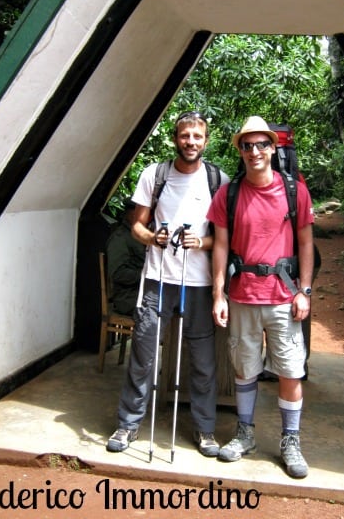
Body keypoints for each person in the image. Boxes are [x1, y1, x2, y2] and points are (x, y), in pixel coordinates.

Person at [106, 110, 228, 457]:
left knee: (203, 361)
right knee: (143, 355)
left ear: (206, 140)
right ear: (175, 138)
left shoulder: (218, 180)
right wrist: (153, 239)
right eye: (185, 135)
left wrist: (199, 243)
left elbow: (223, 238)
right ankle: (128, 424)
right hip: (158, 278)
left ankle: (205, 431)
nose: (191, 142)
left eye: (197, 137)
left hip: (199, 283)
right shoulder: (154, 175)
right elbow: (137, 225)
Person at [206, 116, 315, 478]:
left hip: (283, 296)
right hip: (242, 296)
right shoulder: (229, 194)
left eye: (262, 145)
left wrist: (305, 291)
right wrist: (218, 295)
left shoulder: (294, 190)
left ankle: (291, 441)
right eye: (247, 146)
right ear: (239, 150)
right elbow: (220, 246)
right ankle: (245, 432)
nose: (255, 152)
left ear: (273, 148)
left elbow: (306, 244)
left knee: (289, 370)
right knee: (244, 368)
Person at [106, 199, 146, 316]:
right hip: (127, 297)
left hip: (139, 293)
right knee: (160, 307)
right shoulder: (120, 238)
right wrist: (145, 276)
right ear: (131, 213)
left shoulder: (138, 235)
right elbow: (118, 274)